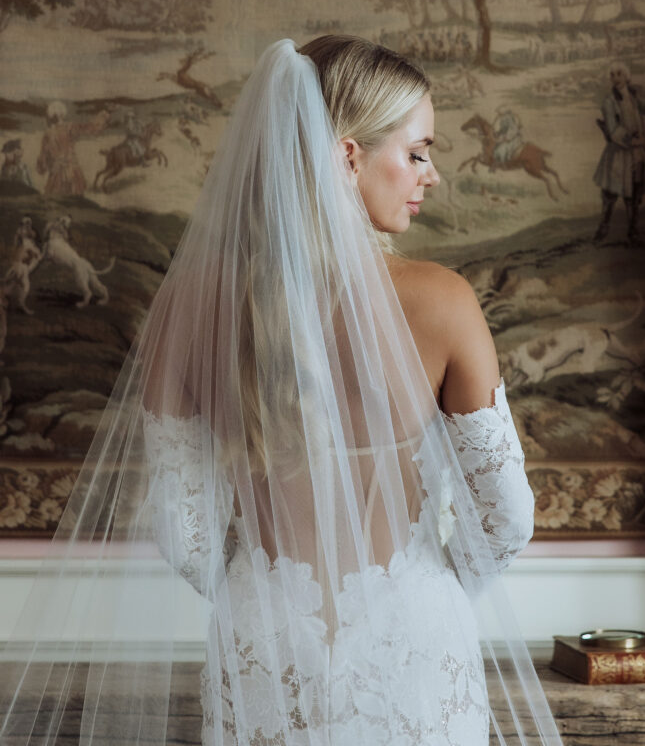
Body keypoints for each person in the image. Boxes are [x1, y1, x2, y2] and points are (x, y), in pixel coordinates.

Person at [0, 37, 562, 746]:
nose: (433, 175)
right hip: (413, 647)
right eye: (418, 152)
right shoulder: (443, 302)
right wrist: (425, 587)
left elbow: (183, 529)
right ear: (349, 157)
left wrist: (259, 587)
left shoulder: (190, 305)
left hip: (262, 647)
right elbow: (506, 517)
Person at [593, 60, 645, 246]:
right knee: (610, 195)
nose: (615, 78)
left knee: (634, 195)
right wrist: (633, 141)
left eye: (619, 74)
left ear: (626, 76)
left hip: (636, 156)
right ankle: (602, 230)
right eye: (612, 75)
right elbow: (613, 130)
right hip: (617, 157)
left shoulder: (634, 97)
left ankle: (633, 232)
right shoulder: (609, 102)